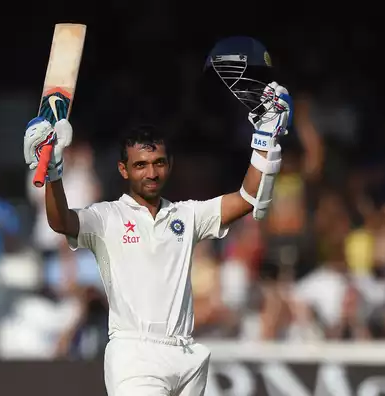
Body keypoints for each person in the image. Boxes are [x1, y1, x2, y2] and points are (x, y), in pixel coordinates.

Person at [23, 80, 291, 395]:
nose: (151, 173)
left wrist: (266, 138)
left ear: (169, 166)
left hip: (185, 355)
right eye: (140, 165)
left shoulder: (187, 216)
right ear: (123, 170)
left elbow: (249, 198)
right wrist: (53, 171)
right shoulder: (106, 217)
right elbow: (60, 220)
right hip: (135, 354)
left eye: (158, 163)